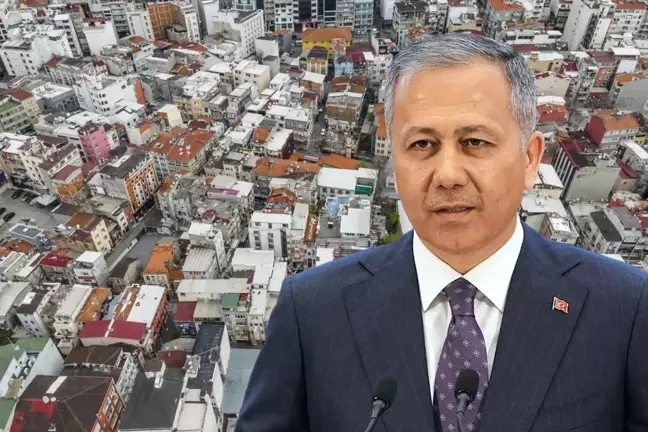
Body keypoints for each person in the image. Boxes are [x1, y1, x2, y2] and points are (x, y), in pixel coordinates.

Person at [235, 33, 648, 432]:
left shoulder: (624, 309)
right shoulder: (312, 312)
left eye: (475, 142)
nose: (447, 175)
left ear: (529, 158)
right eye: (422, 145)